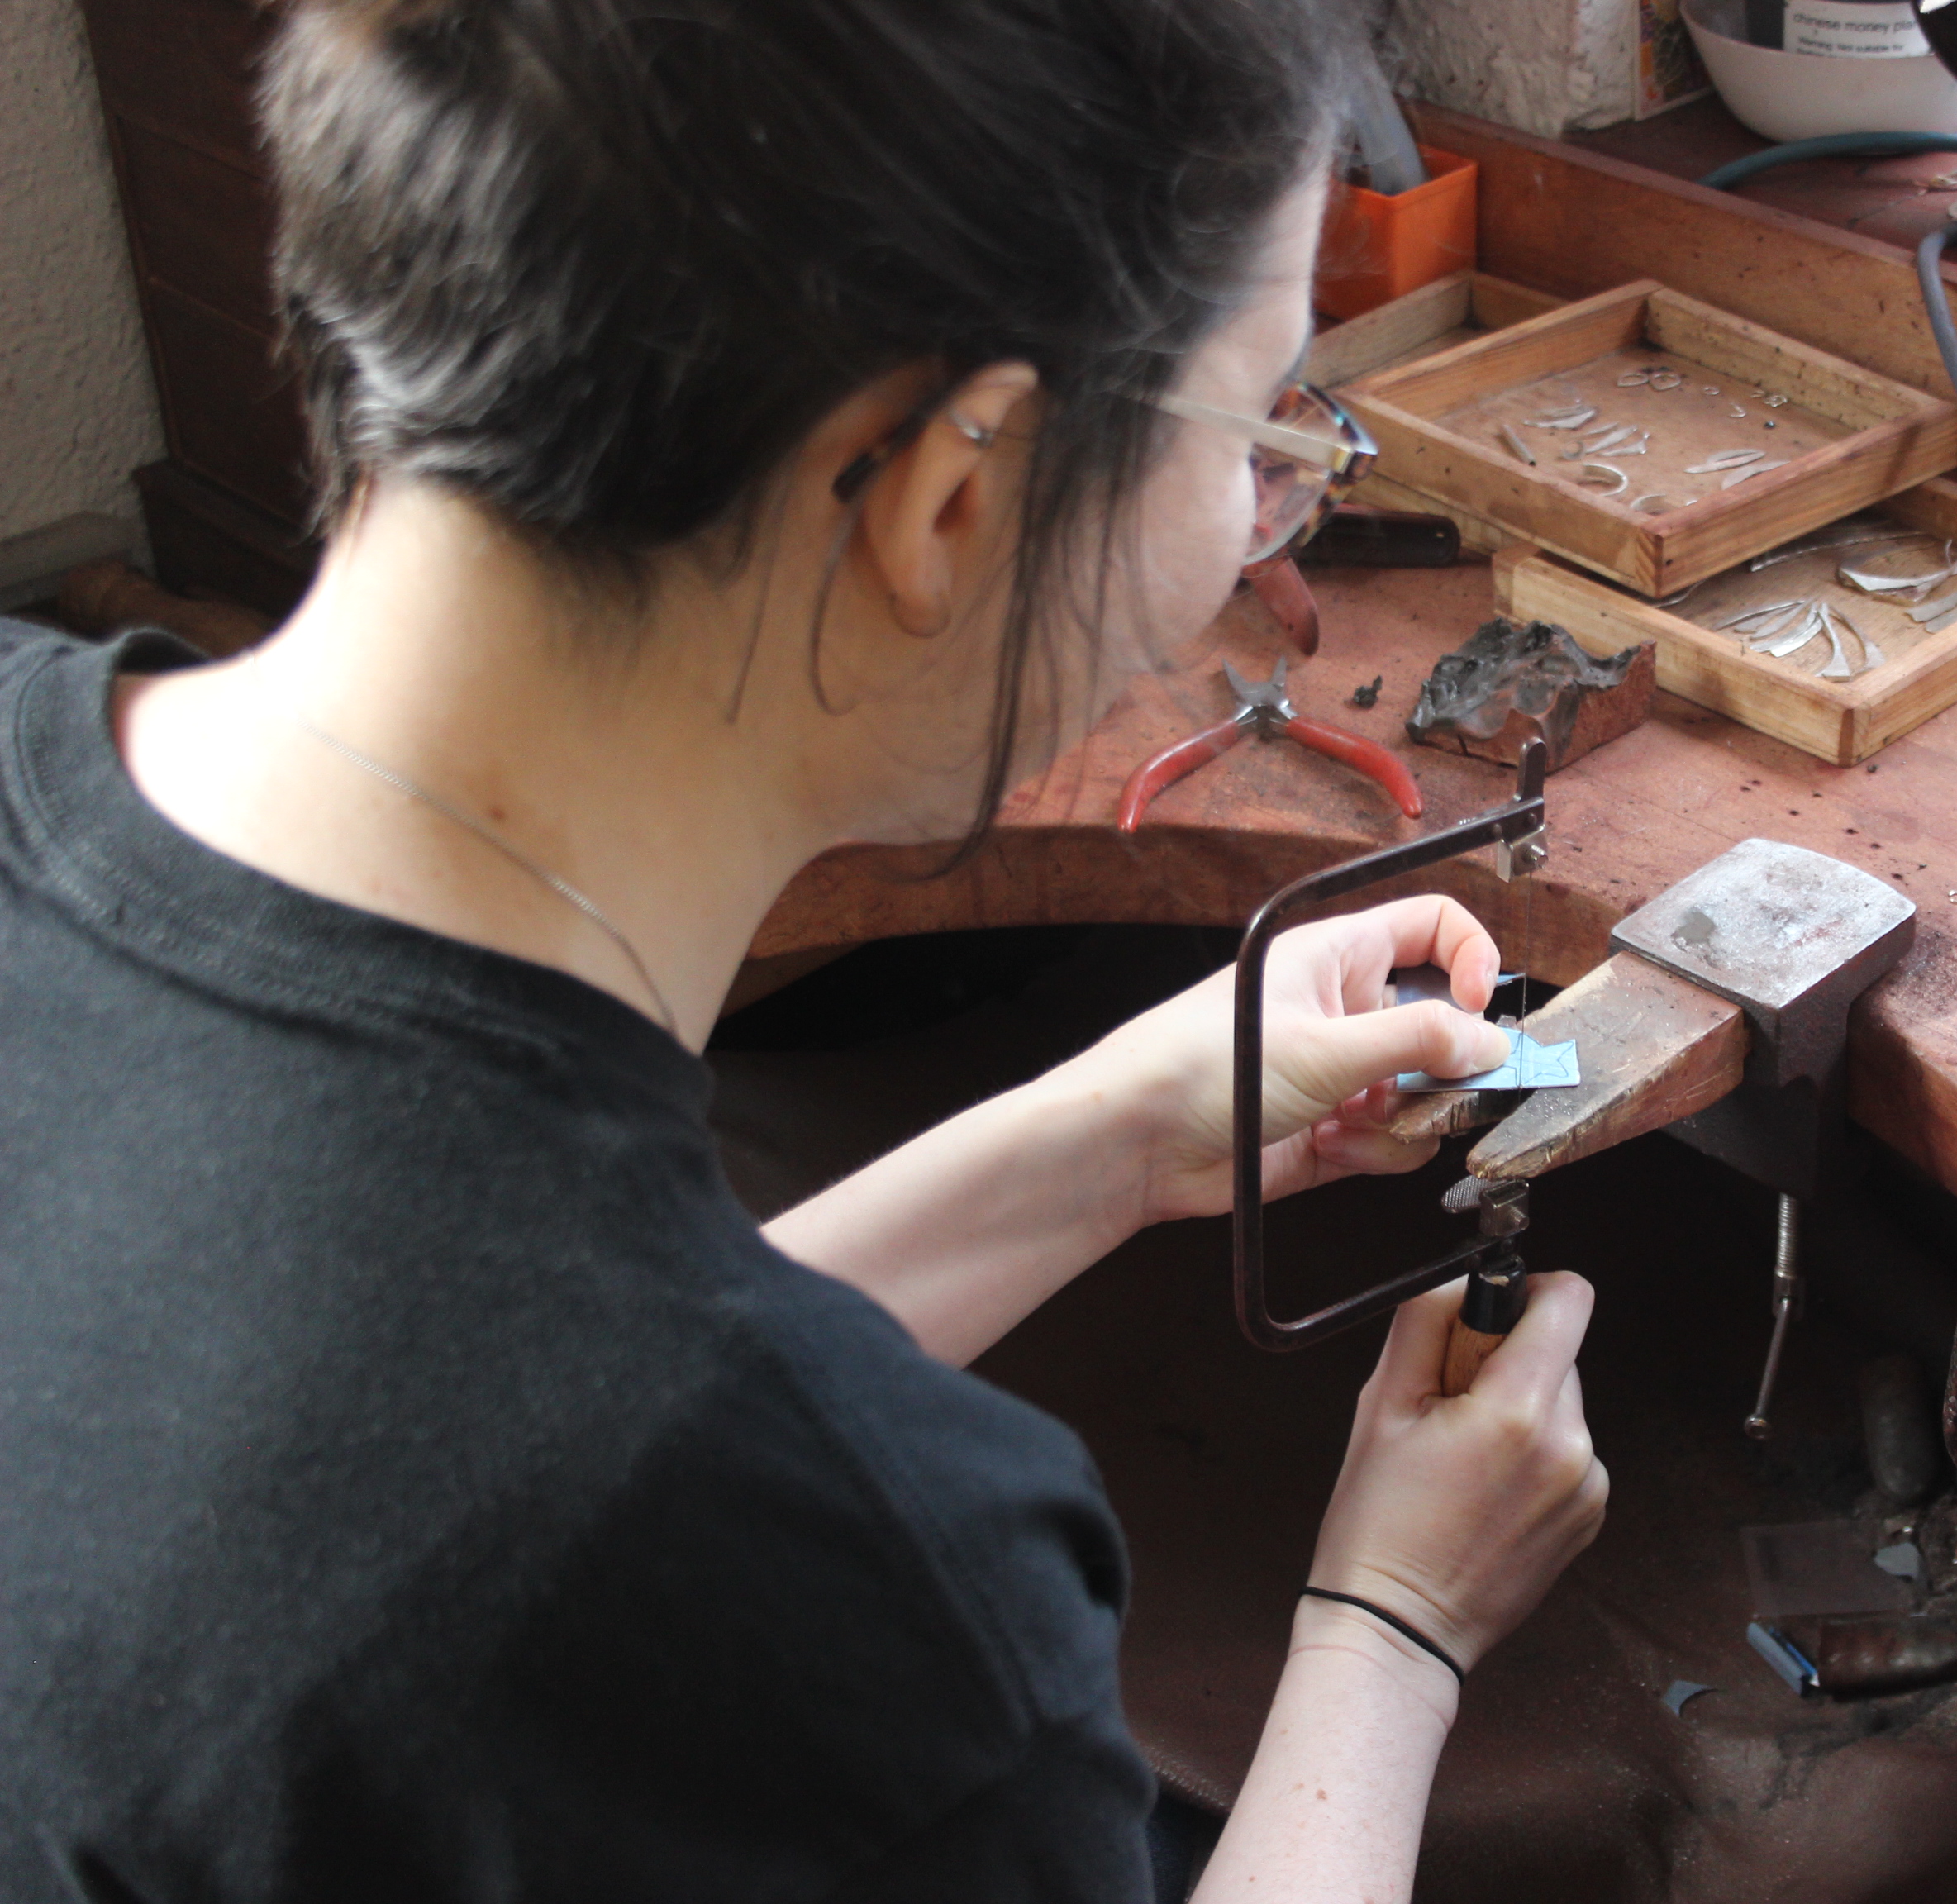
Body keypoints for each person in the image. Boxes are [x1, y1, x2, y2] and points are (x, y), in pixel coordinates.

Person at [0, 0, 1607, 1897]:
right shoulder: (866, 1611)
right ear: (947, 494)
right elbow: (601, 1476)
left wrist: (1113, 1135)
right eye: (1262, 428)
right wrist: (1391, 1634)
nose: (1270, 527)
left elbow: (427, 1439)